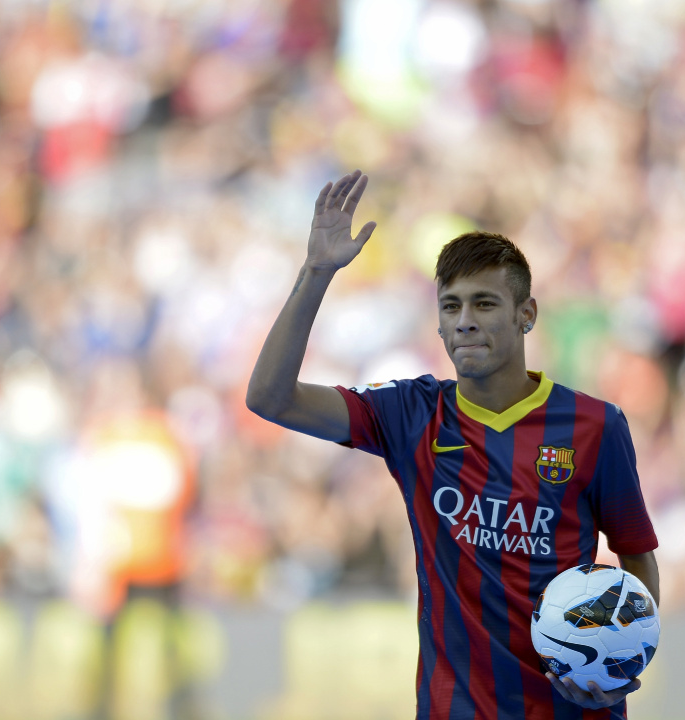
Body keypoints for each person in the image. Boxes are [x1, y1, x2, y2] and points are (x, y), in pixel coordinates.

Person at [246, 169, 661, 718]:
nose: (465, 322)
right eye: (451, 306)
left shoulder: (595, 425)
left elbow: (636, 552)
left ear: (526, 315)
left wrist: (624, 663)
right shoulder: (410, 414)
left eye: (485, 304)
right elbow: (271, 398)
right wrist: (316, 272)